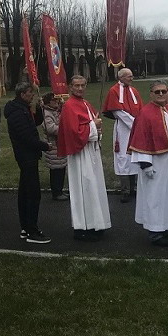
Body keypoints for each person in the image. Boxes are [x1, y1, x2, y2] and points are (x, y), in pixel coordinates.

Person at [128, 80, 168, 246]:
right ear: (151, 94)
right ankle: (155, 232)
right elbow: (140, 139)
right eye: (157, 92)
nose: (161, 94)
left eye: (163, 91)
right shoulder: (145, 113)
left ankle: (167, 226)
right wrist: (146, 164)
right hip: (154, 162)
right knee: (155, 197)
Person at [58, 75, 111, 241]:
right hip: (79, 153)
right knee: (83, 187)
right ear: (70, 87)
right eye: (76, 86)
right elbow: (73, 132)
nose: (80, 88)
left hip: (91, 151)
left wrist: (97, 129)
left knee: (94, 187)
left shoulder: (86, 103)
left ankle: (96, 222)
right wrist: (93, 127)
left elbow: (92, 124)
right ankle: (83, 226)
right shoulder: (69, 106)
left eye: (82, 85)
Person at [4, 82, 52, 244]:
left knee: (25, 192)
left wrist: (39, 109)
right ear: (22, 94)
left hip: (29, 155)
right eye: (30, 93)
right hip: (26, 156)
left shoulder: (23, 108)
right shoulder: (17, 112)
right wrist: (45, 146)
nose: (32, 95)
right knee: (32, 193)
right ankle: (32, 230)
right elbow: (26, 137)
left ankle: (26, 226)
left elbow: (35, 122)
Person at [103, 67, 142, 204]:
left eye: (131, 76)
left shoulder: (134, 91)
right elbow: (117, 112)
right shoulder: (114, 91)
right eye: (129, 76)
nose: (132, 78)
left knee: (134, 157)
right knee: (123, 158)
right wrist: (135, 124)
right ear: (121, 77)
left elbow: (140, 109)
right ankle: (125, 190)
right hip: (123, 129)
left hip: (135, 128)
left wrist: (139, 124)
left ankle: (134, 188)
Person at [40, 91, 68, 201]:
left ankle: (59, 190)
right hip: (53, 145)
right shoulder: (46, 113)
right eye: (53, 100)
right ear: (48, 102)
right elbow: (51, 128)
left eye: (57, 99)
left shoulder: (56, 110)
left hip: (59, 145)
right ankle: (56, 192)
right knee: (56, 170)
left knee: (61, 168)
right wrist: (64, 128)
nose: (56, 101)